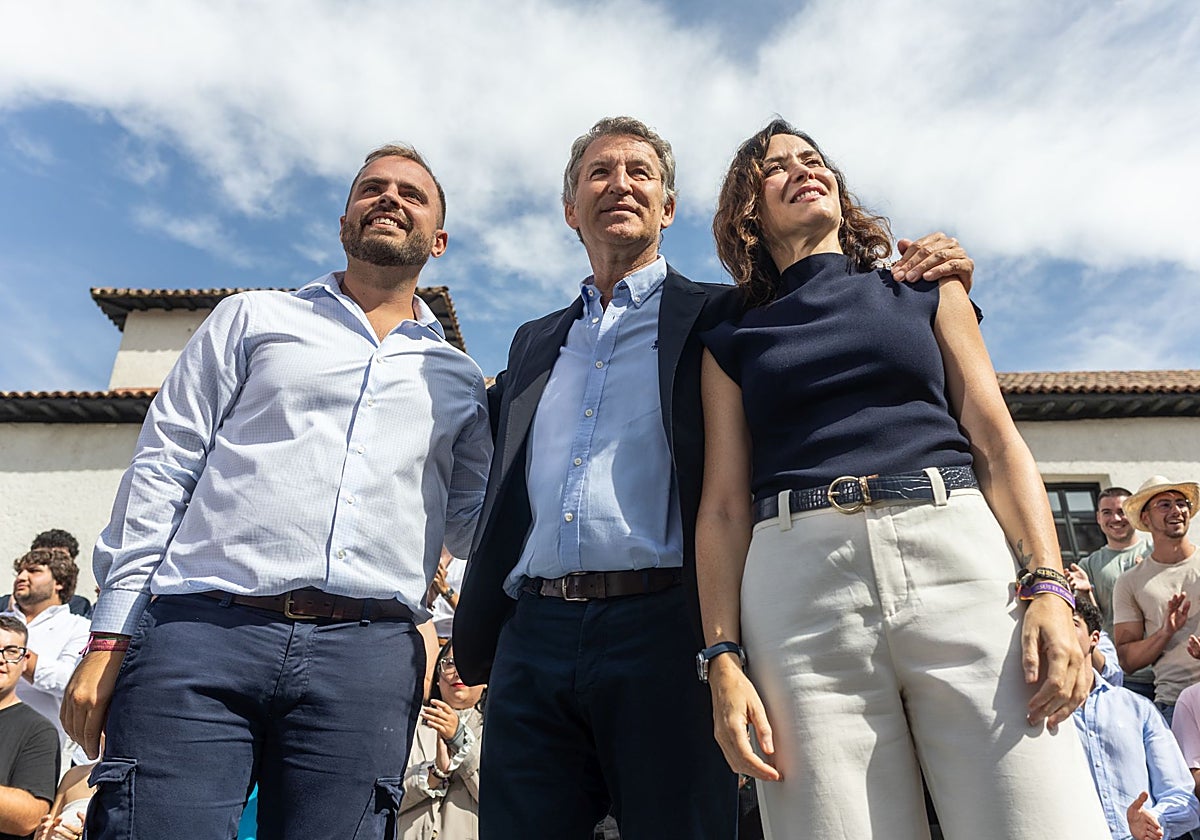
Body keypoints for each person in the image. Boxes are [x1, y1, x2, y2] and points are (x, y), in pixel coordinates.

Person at [453, 114, 975, 838]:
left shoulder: (727, 317)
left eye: (641, 173)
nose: (620, 185)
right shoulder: (534, 341)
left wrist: (936, 267)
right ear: (570, 208)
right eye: (599, 173)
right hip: (532, 635)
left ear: (668, 209)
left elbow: (838, 317)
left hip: (667, 625)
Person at [60, 143, 492, 840]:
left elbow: (475, 522)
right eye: (371, 188)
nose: (389, 198)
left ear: (437, 240)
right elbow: (164, 468)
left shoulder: (459, 379)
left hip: (367, 658)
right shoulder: (251, 319)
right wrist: (109, 635)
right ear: (345, 218)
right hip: (200, 634)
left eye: (412, 194)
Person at [695, 118, 1109, 838]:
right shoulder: (730, 334)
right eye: (776, 168)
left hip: (955, 557)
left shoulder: (924, 287)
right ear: (747, 215)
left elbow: (998, 444)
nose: (802, 169)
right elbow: (725, 507)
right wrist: (723, 657)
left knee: (1039, 817)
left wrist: (1048, 584)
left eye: (814, 159)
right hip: (798, 592)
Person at [1070, 596, 1199, 840]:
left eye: (1073, 623)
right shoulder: (1030, 717)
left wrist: (1154, 820)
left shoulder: (1137, 709)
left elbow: (1183, 798)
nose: (1061, 632)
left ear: (1094, 639)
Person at [1113, 476, 1200, 726]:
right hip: (1174, 705)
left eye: (1181, 503)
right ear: (1145, 519)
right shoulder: (1130, 582)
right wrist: (1165, 632)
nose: (1177, 510)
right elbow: (1127, 661)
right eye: (1164, 504)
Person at [1, 550, 89, 755]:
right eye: (20, 571)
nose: (22, 577)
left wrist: (19, 656)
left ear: (60, 582)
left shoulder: (79, 628)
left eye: (33, 571)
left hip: (36, 748)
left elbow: (72, 682)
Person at [1070, 487, 1154, 698]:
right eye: (1107, 512)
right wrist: (1086, 592)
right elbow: (1094, 624)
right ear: (1098, 518)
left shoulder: (1154, 553)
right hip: (1122, 677)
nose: (1115, 518)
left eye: (1122, 510)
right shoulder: (1087, 566)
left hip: (1164, 672)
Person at [398, 641, 483, 840]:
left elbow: (503, 799)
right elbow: (385, 799)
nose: (458, 671)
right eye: (450, 663)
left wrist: (459, 740)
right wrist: (433, 774)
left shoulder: (499, 729)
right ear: (438, 676)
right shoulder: (408, 724)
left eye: (468, 663)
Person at [0, 615, 59, 840]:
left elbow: (29, 817)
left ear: (25, 661)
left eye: (12, 651)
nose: (2, 659)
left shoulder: (38, 731)